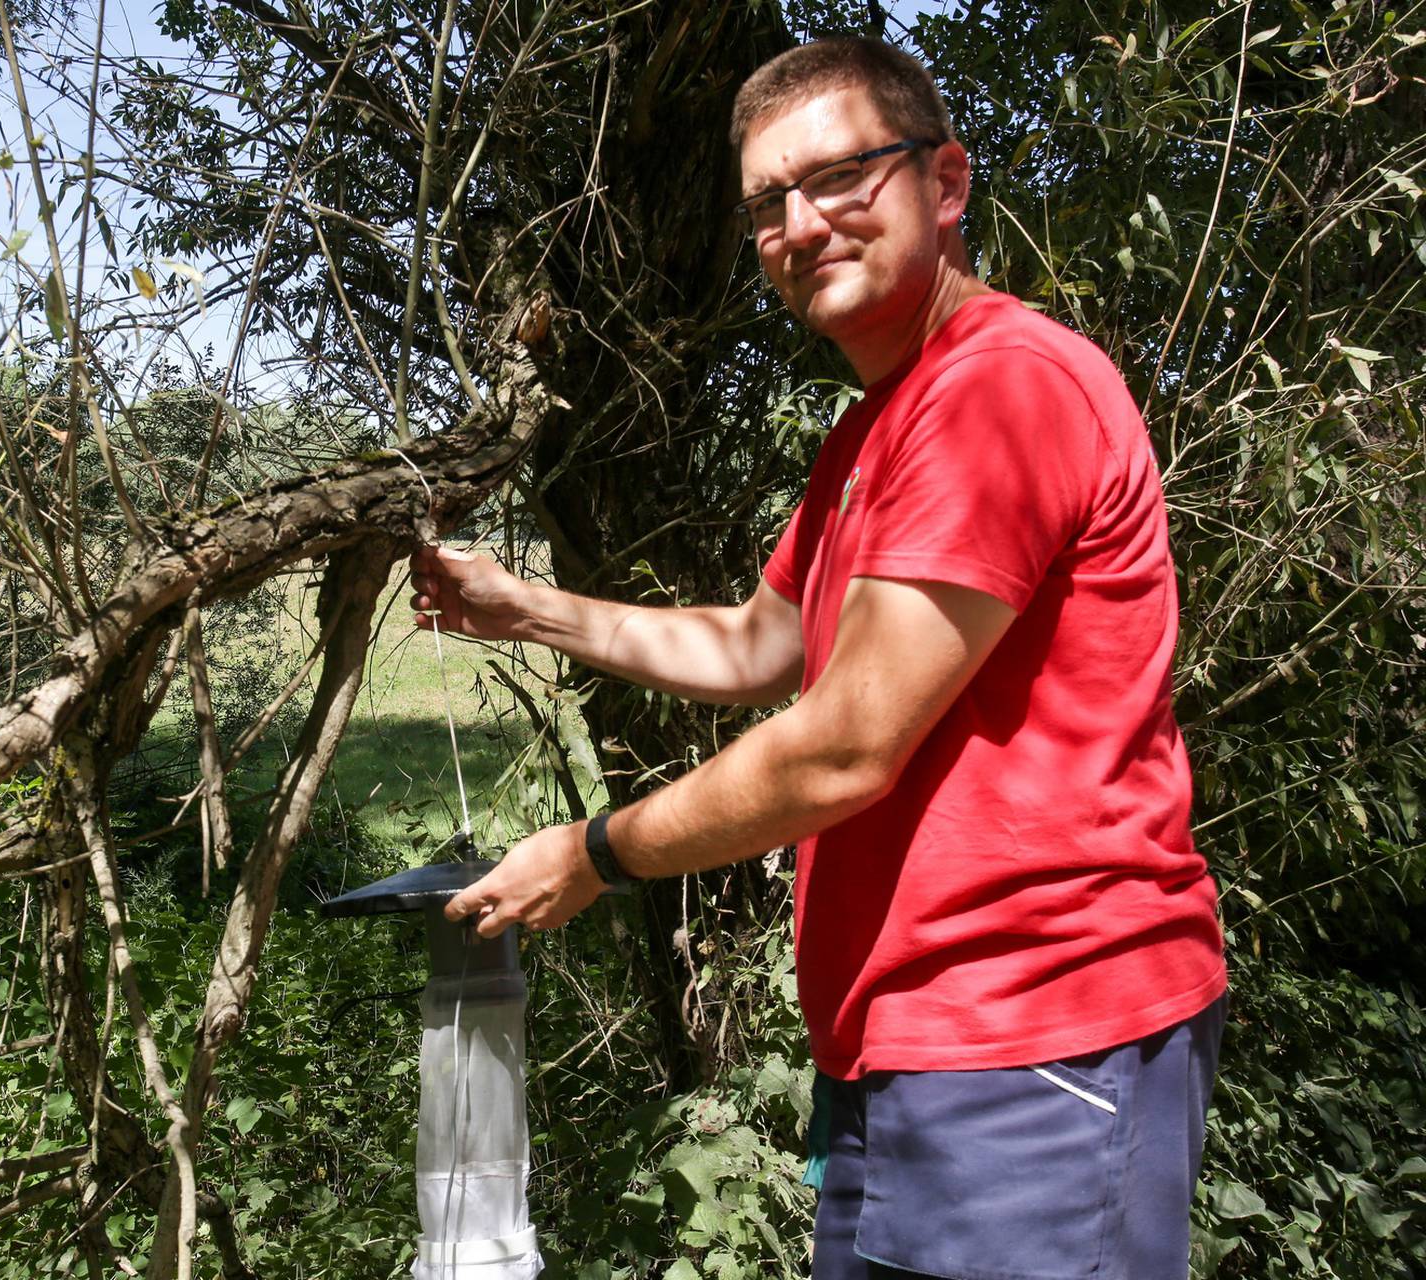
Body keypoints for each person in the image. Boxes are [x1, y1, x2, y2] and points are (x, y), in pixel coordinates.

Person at [410, 35, 1228, 1280]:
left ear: (945, 183)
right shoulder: (874, 431)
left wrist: (591, 853)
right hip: (901, 1049)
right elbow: (757, 644)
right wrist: (519, 607)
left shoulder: (1002, 389)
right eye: (768, 204)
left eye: (841, 175)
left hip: (1035, 1046)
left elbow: (843, 745)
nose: (801, 223)